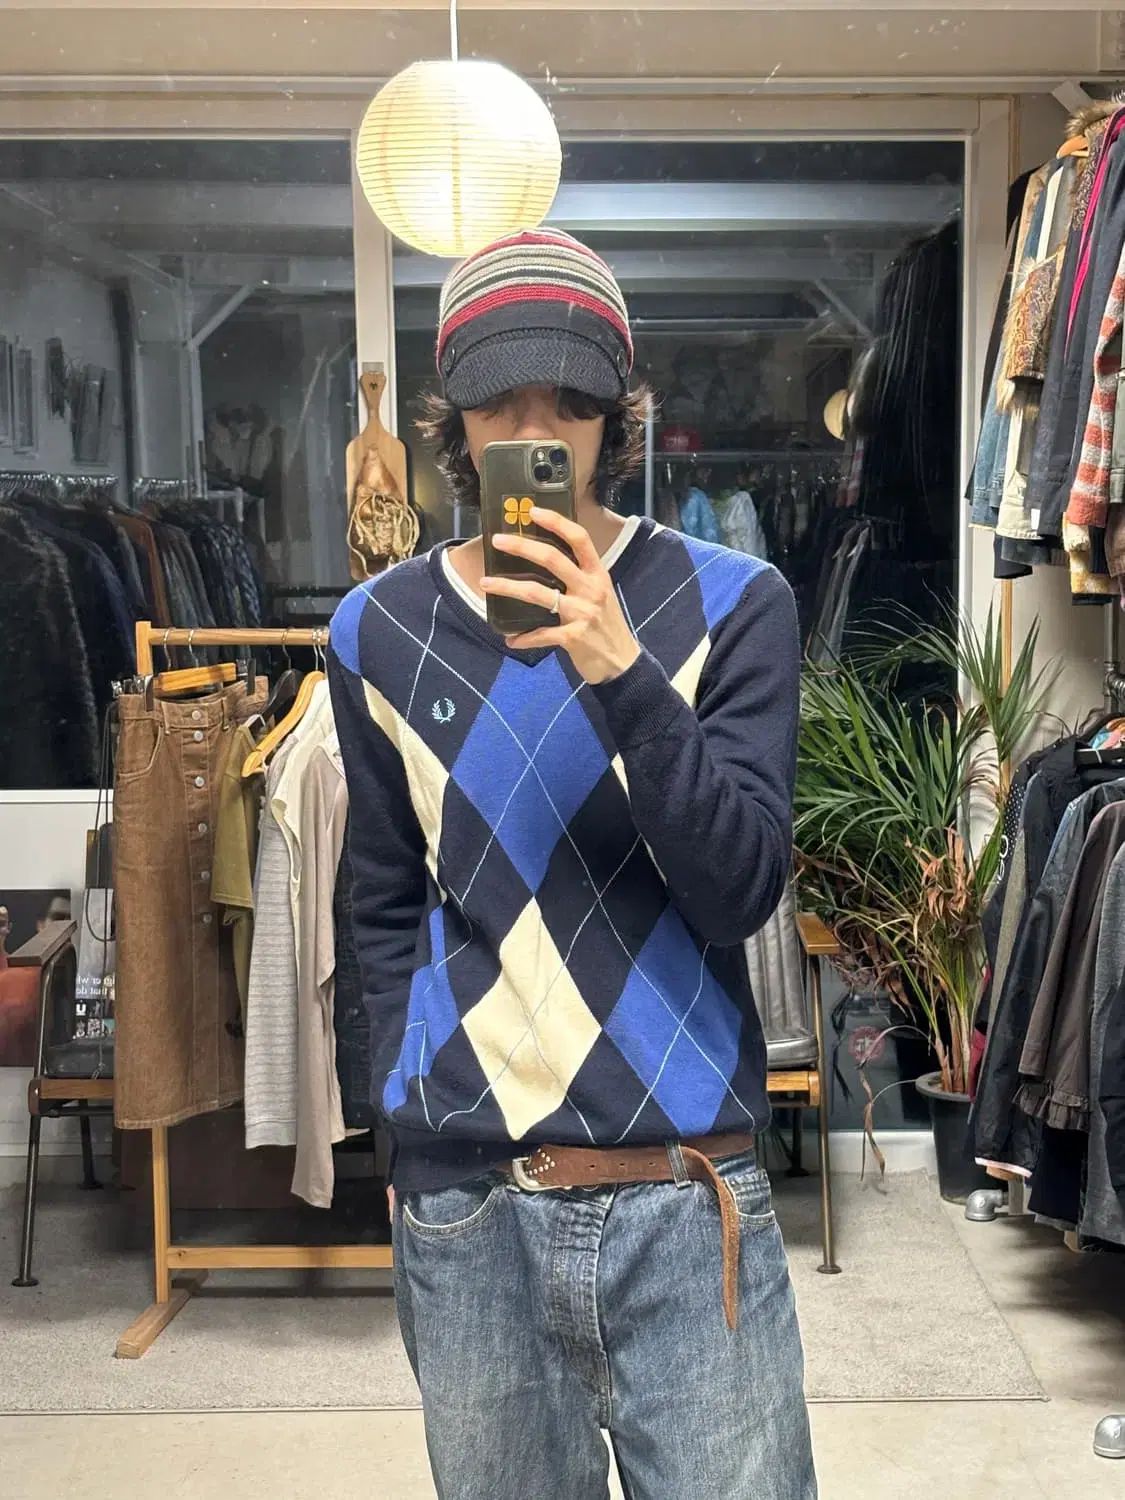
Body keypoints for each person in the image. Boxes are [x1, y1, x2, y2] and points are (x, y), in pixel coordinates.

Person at [329, 227, 815, 1500]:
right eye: (501, 401)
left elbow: (740, 887)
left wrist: (619, 668)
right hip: (470, 1208)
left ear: (617, 411)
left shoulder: (736, 602)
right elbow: (378, 902)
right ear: (452, 416)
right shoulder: (377, 631)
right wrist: (399, 1144)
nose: (534, 432)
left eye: (570, 403)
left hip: (687, 1193)